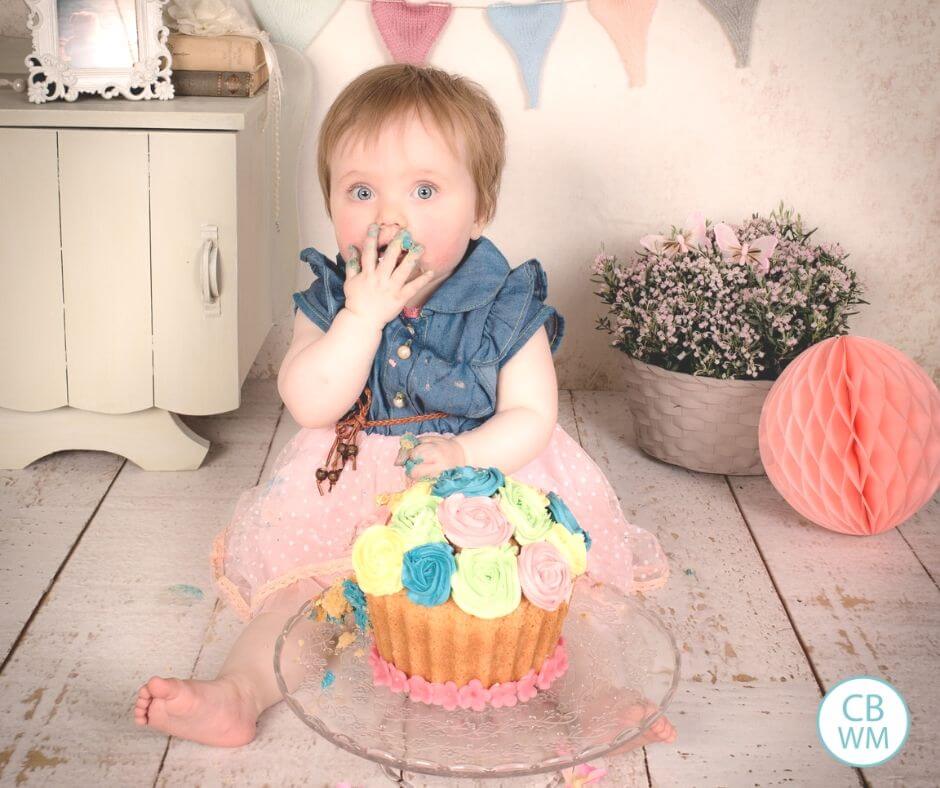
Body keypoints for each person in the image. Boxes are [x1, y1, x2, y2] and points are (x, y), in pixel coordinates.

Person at [133, 64, 672, 747]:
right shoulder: (333, 296)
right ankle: (238, 694)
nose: (389, 216)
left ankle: (599, 697)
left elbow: (533, 414)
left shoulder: (506, 303)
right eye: (361, 190)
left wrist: (464, 454)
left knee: (553, 607)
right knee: (305, 605)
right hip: (351, 495)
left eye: (423, 189)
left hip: (487, 486)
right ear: (330, 203)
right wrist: (362, 318)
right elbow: (308, 401)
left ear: (479, 208)